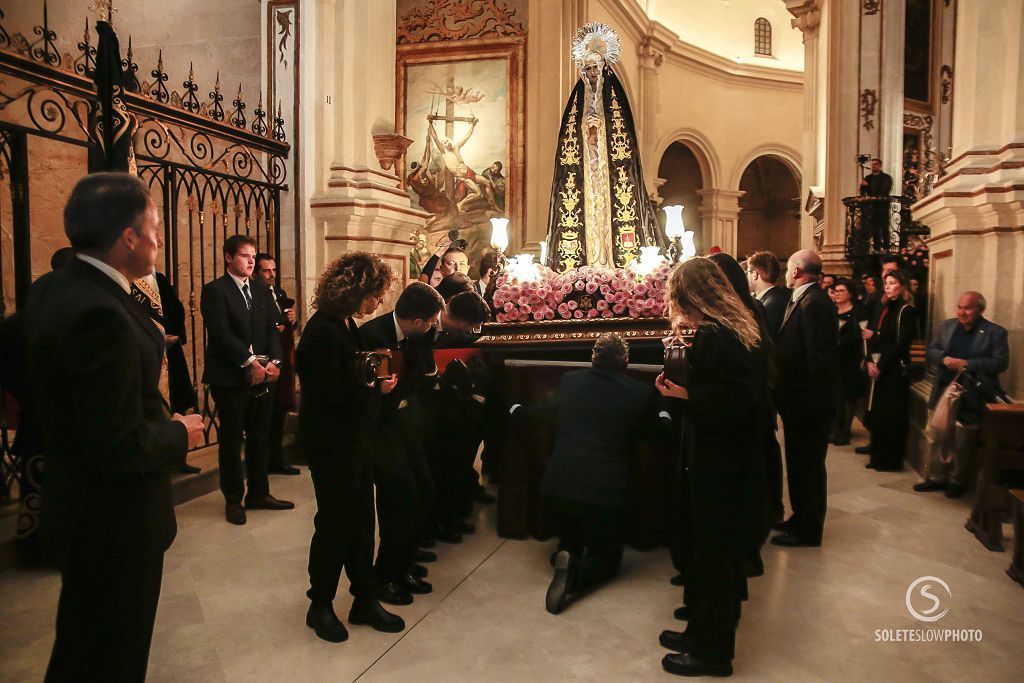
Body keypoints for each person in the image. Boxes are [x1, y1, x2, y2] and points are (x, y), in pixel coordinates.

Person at [24, 173, 204, 681]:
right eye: (154, 226)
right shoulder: (102, 313)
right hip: (113, 522)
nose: (159, 239)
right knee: (112, 654)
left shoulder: (52, 289)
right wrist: (178, 432)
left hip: (74, 502)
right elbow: (117, 446)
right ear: (128, 236)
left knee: (80, 643)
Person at [655, 257, 764, 678]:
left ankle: (713, 653)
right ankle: (698, 631)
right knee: (706, 553)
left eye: (680, 299)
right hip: (725, 457)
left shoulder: (721, 336)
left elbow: (737, 399)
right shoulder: (727, 329)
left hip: (722, 460)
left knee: (715, 555)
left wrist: (685, 396)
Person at [509, 333, 664, 614]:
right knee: (608, 558)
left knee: (571, 536)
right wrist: (666, 411)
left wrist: (513, 407)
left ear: (592, 359)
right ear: (626, 362)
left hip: (558, 486)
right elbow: (657, 436)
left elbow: (534, 416)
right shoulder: (639, 393)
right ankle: (576, 572)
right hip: (604, 494)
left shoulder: (570, 382)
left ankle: (567, 553)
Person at [296, 253, 405, 643]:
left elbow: (354, 379)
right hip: (331, 444)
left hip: (354, 440)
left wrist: (374, 383)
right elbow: (333, 395)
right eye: (374, 294)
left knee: (361, 521)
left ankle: (364, 599)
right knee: (335, 524)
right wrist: (377, 388)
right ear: (355, 290)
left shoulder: (343, 324)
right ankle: (319, 605)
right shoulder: (322, 332)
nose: (377, 302)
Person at [545, 22, 664, 270]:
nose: (591, 74)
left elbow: (623, 143)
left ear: (604, 68)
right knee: (587, 216)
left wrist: (600, 127)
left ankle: (615, 263)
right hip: (586, 174)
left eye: (595, 68)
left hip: (610, 175)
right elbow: (568, 146)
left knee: (611, 218)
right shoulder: (576, 103)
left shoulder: (615, 101)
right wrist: (583, 129)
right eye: (587, 69)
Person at [359, 282, 444, 604]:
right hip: (381, 431)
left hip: (407, 426)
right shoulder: (373, 336)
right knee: (398, 500)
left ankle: (405, 563)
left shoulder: (418, 337)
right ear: (417, 320)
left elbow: (425, 376)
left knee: (422, 490)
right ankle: (386, 575)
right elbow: (378, 389)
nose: (435, 326)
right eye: (433, 321)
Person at [201, 235, 293, 525]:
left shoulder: (261, 290)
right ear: (228, 257)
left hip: (263, 377)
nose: (251, 261)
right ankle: (233, 499)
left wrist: (275, 363)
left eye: (253, 255)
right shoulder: (215, 290)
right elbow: (221, 333)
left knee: (259, 436)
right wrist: (249, 361)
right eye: (244, 255)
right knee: (231, 440)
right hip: (229, 377)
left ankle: (259, 492)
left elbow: (271, 331)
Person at [772, 249, 838, 548]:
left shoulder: (814, 303)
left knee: (808, 467)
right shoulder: (805, 299)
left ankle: (808, 529)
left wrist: (809, 403)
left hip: (807, 404)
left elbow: (819, 360)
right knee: (799, 464)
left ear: (797, 271)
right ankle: (799, 517)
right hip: (798, 400)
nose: (786, 274)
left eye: (788, 269)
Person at [915, 291, 1009, 498]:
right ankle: (936, 477)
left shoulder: (995, 332)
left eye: (967, 308)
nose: (962, 312)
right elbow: (931, 350)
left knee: (962, 440)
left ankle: (957, 480)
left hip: (972, 393)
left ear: (980, 309)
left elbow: (1000, 363)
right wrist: (944, 358)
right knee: (937, 434)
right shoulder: (948, 326)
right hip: (946, 390)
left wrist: (969, 364)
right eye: (959, 307)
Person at [862, 269, 918, 472]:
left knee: (892, 416)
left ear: (902, 286)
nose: (888, 286)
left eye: (893, 283)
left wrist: (881, 365)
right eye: (886, 283)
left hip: (893, 369)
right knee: (879, 415)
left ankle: (890, 460)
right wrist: (869, 361)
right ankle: (877, 457)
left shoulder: (907, 310)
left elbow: (901, 343)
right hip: (879, 366)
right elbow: (876, 336)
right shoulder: (884, 308)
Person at [255, 252, 300, 476]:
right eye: (266, 270)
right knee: (265, 415)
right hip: (263, 359)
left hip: (281, 357)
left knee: (279, 411)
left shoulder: (278, 292)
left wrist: (292, 320)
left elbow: (286, 324)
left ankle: (276, 459)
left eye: (273, 270)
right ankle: (264, 462)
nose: (272, 275)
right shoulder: (254, 293)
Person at [830, 279, 868, 446]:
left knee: (848, 397)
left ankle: (845, 430)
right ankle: (835, 429)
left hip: (851, 359)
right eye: (836, 291)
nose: (837, 293)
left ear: (850, 293)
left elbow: (861, 337)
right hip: (834, 359)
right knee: (835, 395)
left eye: (841, 291)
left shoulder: (858, 313)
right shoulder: (831, 310)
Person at [745, 250, 787, 340]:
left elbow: (764, 340)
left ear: (755, 274)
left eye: (747, 272)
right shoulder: (772, 299)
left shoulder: (772, 303)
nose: (746, 277)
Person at [860, 158, 894, 250]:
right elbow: (863, 192)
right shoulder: (868, 178)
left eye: (875, 164)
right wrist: (863, 186)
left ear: (880, 166)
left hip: (883, 206)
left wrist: (869, 188)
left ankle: (887, 248)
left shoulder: (886, 177)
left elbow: (885, 190)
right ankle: (876, 248)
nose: (873, 166)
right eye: (872, 164)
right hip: (872, 207)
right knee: (874, 228)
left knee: (884, 227)